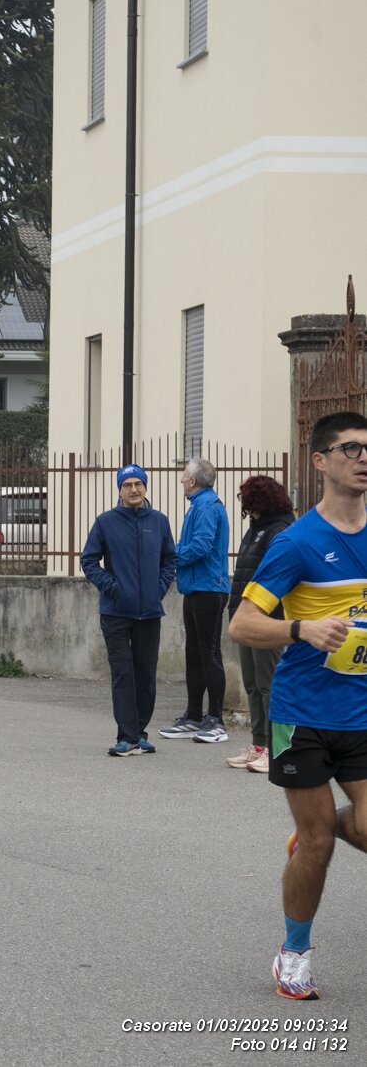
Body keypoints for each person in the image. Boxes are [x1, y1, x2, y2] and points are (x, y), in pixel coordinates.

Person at [227, 411, 367, 1002]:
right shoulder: (296, 543)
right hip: (302, 713)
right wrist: (302, 629)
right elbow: (241, 624)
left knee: (350, 829)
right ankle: (294, 952)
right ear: (320, 461)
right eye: (351, 449)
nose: (363, 459)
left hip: (361, 712)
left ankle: (323, 829)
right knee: (318, 843)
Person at [81, 463, 178, 757]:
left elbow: (170, 560)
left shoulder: (159, 521)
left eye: (138, 484)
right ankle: (127, 736)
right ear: (119, 490)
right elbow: (88, 561)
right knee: (123, 673)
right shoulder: (105, 522)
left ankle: (140, 732)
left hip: (149, 612)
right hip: (116, 612)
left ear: (145, 487)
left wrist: (159, 588)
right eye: (127, 485)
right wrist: (112, 587)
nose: (133, 490)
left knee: (145, 674)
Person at [157, 458, 232, 743]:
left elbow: (201, 545)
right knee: (194, 653)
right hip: (196, 587)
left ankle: (216, 719)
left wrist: (171, 554)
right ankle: (193, 715)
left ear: (193, 481)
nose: (181, 480)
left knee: (209, 653)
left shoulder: (206, 506)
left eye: (184, 476)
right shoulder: (200, 504)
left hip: (208, 588)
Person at [225, 477, 296, 773]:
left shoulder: (280, 530)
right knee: (253, 684)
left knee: (269, 686)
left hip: (268, 618)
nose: (245, 504)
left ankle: (275, 749)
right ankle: (258, 745)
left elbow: (275, 576)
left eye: (248, 498)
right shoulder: (256, 528)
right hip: (246, 617)